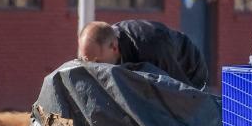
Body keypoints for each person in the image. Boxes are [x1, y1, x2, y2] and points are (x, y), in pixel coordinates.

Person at [77, 20, 208, 89]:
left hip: (189, 70)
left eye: (96, 63)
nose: (92, 68)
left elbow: (184, 94)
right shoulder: (106, 40)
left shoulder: (152, 48)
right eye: (85, 60)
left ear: (114, 48)